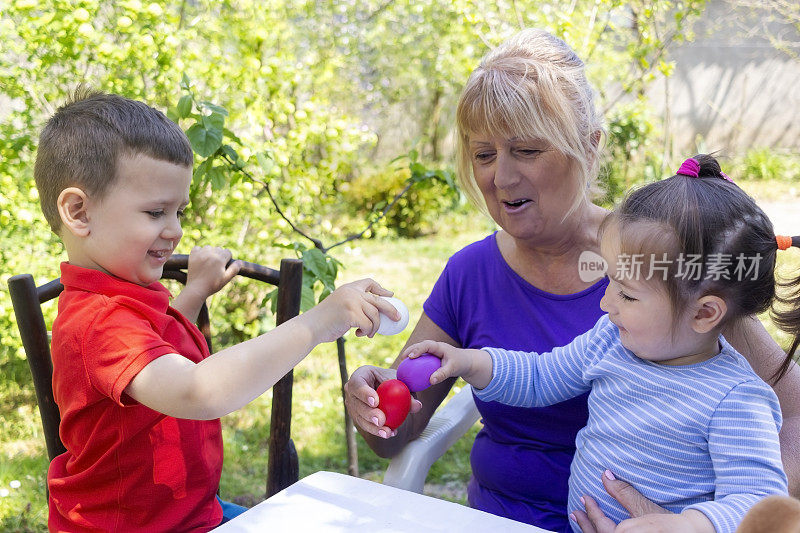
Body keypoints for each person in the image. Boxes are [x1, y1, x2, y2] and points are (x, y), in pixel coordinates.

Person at [343, 28, 800, 532]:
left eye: (528, 150)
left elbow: (792, 422)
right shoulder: (469, 274)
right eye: (484, 154)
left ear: (590, 144)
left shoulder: (666, 266)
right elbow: (399, 431)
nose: (501, 178)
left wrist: (689, 523)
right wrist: (375, 404)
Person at [34, 89, 401, 531]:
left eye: (179, 211)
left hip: (189, 512)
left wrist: (195, 293)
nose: (175, 231)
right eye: (155, 212)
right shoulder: (99, 321)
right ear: (78, 211)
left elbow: (153, 356)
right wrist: (318, 322)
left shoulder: (116, 299)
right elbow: (196, 392)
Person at [401, 154, 798, 533]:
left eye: (626, 294)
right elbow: (540, 377)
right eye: (609, 282)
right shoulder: (610, 341)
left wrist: (691, 526)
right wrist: (470, 362)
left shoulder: (736, 398)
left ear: (703, 314)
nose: (606, 303)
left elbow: (758, 501)